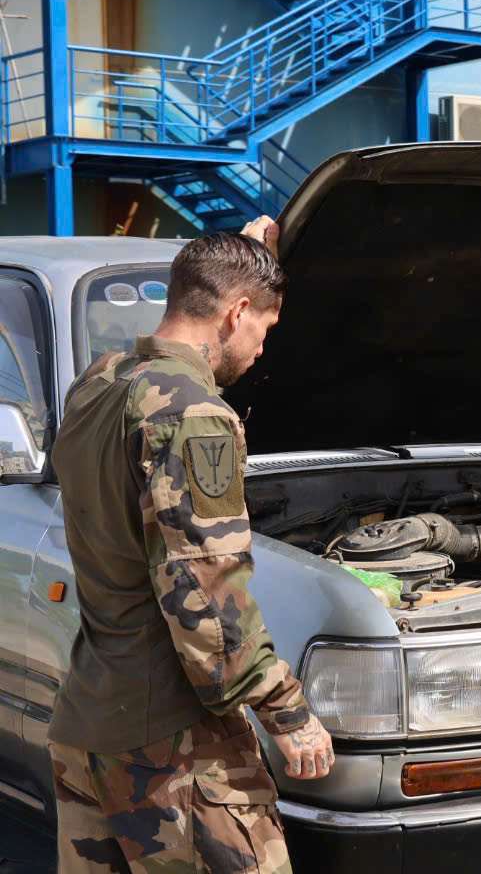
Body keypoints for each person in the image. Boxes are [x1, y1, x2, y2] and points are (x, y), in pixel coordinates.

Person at [47, 222, 333, 874]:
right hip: (174, 747)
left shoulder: (98, 385)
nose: (262, 351)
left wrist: (252, 251)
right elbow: (205, 595)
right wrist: (289, 715)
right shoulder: (189, 411)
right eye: (264, 329)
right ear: (235, 314)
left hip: (89, 723)